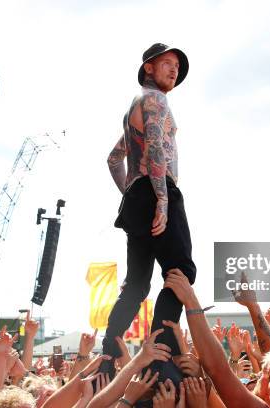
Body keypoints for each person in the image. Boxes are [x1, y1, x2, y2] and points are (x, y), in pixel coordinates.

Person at [103, 43, 195, 372]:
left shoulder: (136, 107)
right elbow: (155, 147)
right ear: (148, 69)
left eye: (177, 67)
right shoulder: (155, 99)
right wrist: (162, 197)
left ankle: (108, 354)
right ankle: (161, 356)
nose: (174, 70)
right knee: (180, 271)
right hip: (158, 188)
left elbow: (114, 159)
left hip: (139, 193)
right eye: (167, 63)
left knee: (138, 282)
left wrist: (131, 192)